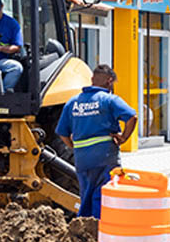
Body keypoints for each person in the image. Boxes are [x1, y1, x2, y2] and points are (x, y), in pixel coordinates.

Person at [55, 64, 137, 219]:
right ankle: (103, 227)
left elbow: (62, 133)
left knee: (86, 194)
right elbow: (132, 117)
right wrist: (124, 138)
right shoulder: (109, 99)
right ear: (109, 81)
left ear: (92, 80)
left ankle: (85, 226)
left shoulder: (73, 102)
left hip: (82, 159)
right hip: (105, 157)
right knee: (105, 193)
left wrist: (74, 147)